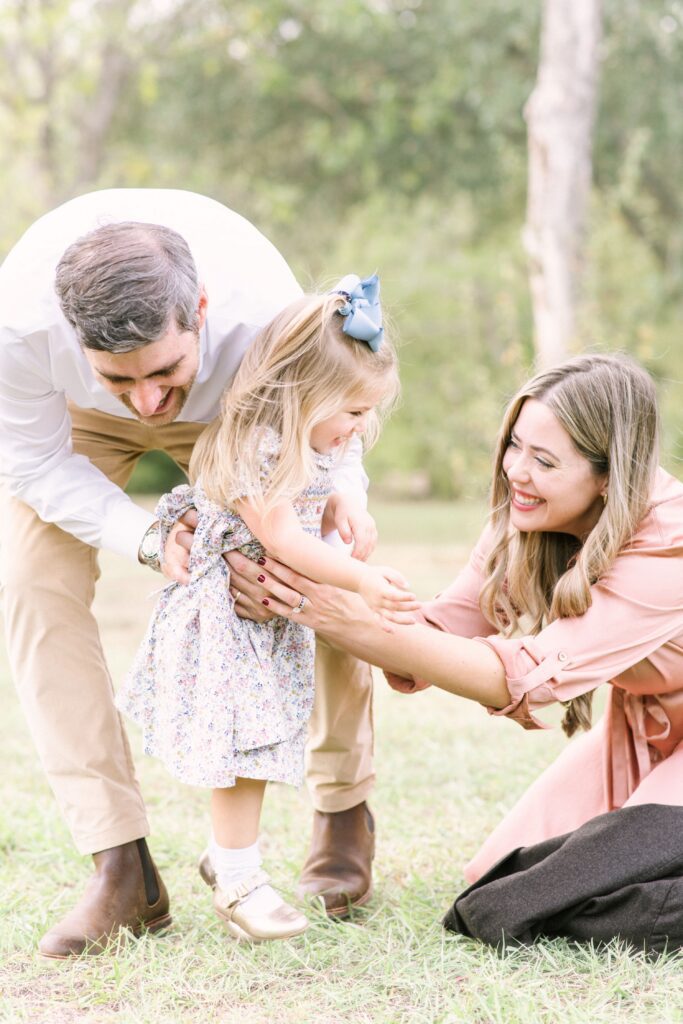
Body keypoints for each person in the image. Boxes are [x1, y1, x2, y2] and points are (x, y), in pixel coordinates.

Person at [0, 190, 378, 959]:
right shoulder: (20, 325)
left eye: (161, 371)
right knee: (29, 582)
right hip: (76, 422)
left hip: (240, 401)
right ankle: (121, 865)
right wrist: (146, 534)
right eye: (120, 376)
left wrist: (345, 495)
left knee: (313, 574)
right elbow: (34, 460)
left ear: (200, 308)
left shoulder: (262, 307)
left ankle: (342, 806)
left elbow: (331, 404)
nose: (146, 402)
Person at [222, 353, 683, 905]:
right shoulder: (527, 517)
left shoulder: (667, 540)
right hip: (643, 730)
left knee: (554, 897)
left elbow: (520, 678)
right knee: (498, 887)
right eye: (515, 444)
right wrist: (307, 585)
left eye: (544, 460)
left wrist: (329, 612)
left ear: (609, 475)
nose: (516, 470)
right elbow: (441, 626)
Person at [116, 280, 414, 942]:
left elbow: (328, 478)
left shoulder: (309, 440)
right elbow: (282, 538)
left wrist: (346, 499)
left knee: (261, 744)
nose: (361, 428)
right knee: (242, 748)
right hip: (229, 621)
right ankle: (236, 876)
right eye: (354, 411)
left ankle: (231, 863)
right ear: (303, 397)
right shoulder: (256, 446)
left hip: (265, 620)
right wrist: (361, 580)